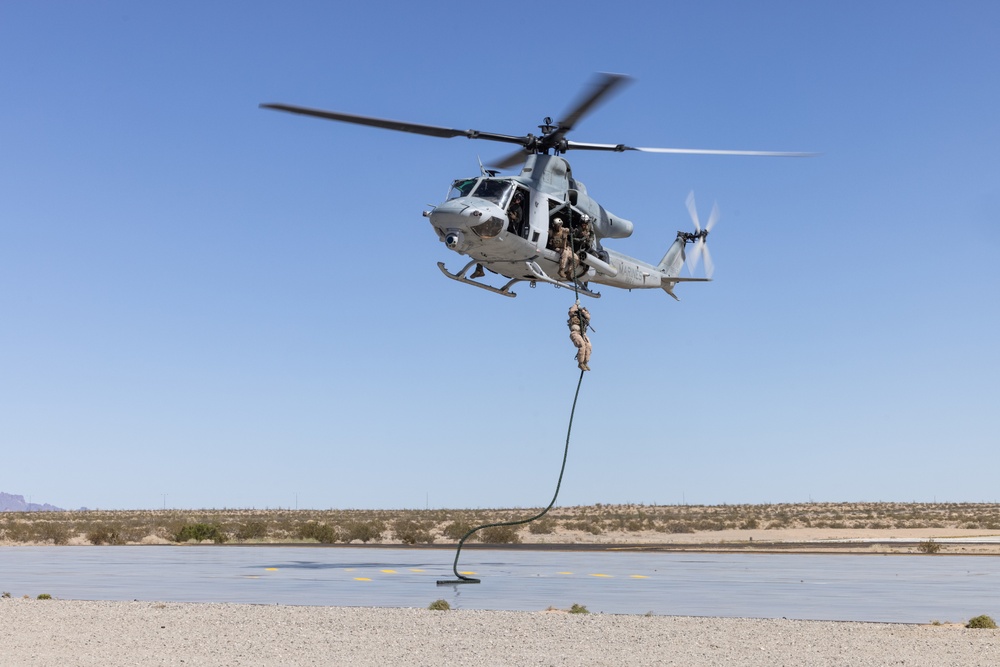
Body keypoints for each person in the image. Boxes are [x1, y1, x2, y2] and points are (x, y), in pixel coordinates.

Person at [567, 302, 592, 371]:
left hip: (582, 334)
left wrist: (582, 310)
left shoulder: (584, 316)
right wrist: (576, 305)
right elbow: (571, 311)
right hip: (575, 333)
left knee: (589, 346)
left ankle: (585, 362)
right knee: (582, 345)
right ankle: (580, 363)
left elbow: (588, 316)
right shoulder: (573, 314)